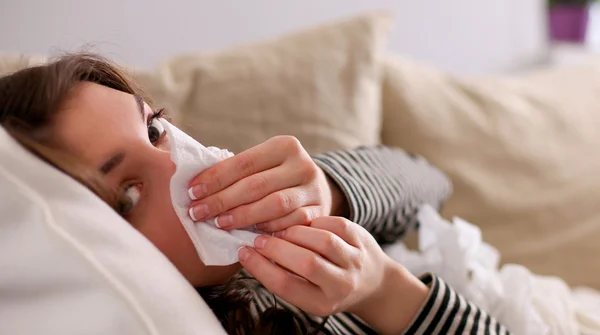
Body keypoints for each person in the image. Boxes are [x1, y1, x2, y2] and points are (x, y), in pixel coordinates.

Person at [0, 54, 511, 335]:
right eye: (129, 196)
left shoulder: (280, 218)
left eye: (155, 129)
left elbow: (428, 181)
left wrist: (329, 192)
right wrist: (384, 295)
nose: (175, 161)